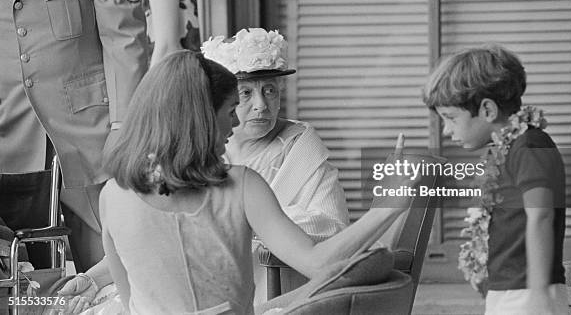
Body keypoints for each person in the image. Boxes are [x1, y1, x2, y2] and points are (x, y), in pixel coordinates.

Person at [66, 50, 413, 315]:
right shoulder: (242, 185)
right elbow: (320, 263)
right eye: (232, 109)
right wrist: (387, 207)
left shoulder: (113, 194)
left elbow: (128, 301)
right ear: (201, 117)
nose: (235, 124)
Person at [0, 0, 148, 273]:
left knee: (114, 270)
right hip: (9, 150)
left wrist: (123, 129)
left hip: (91, 142)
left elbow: (125, 40)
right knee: (26, 285)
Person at [201, 28, 350, 299]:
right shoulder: (204, 149)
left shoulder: (302, 147)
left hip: (284, 286)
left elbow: (334, 226)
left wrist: (254, 226)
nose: (261, 105)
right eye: (245, 93)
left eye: (269, 90)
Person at [422, 45, 567, 315]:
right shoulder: (506, 150)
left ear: (487, 110)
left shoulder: (531, 146)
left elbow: (541, 216)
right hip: (508, 290)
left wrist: (538, 292)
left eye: (451, 118)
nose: (446, 130)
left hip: (529, 292)